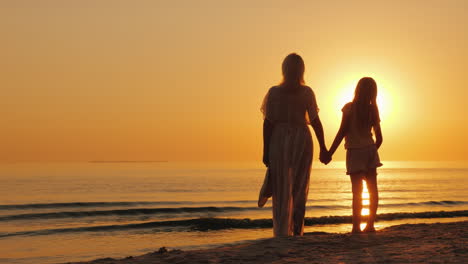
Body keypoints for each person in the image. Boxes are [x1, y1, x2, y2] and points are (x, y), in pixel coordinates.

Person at [261, 53, 330, 237]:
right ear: (302, 70)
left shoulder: (274, 92)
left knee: (281, 188)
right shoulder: (306, 92)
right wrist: (323, 147)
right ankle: (297, 230)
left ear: (284, 69)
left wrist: (266, 151)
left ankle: (282, 231)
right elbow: (315, 122)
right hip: (301, 139)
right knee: (299, 187)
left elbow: (268, 124)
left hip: (279, 140)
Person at [328, 77, 383, 233]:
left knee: (357, 192)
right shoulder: (373, 110)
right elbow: (379, 139)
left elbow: (342, 132)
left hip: (354, 152)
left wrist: (329, 153)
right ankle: (370, 225)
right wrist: (371, 151)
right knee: (373, 190)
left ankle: (356, 227)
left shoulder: (349, 108)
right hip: (370, 151)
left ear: (357, 90)